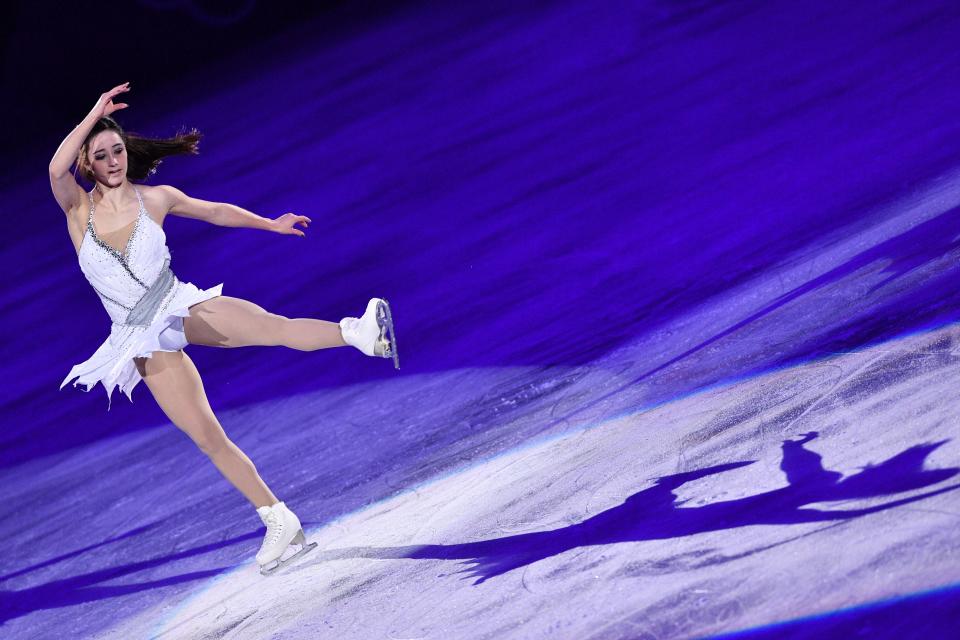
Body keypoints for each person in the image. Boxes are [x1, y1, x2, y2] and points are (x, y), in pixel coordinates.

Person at [49, 82, 399, 575]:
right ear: (88, 163)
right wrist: (93, 114)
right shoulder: (76, 211)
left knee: (273, 326)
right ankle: (280, 520)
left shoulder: (156, 198)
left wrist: (270, 224)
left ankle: (360, 334)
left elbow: (214, 211)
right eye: (101, 155)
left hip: (177, 305)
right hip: (137, 337)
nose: (113, 161)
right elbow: (54, 168)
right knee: (208, 437)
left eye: (118, 151)